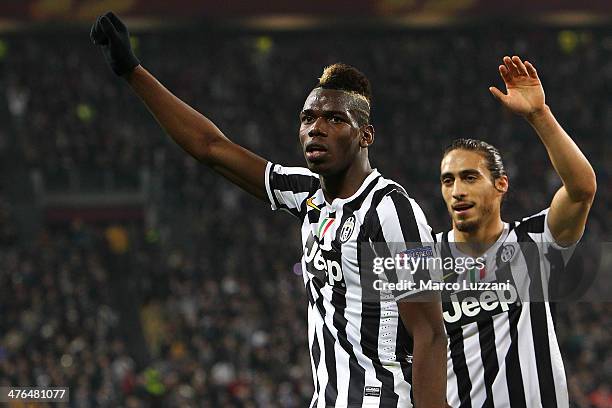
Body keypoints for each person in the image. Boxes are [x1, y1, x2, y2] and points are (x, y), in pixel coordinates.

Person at [90, 12, 448, 407]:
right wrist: (132, 71)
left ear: (365, 135)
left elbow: (430, 332)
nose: (316, 127)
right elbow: (212, 148)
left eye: (334, 119)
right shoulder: (307, 194)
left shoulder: (393, 212)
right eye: (308, 118)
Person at [438, 56, 596, 407]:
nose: (457, 191)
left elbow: (582, 189)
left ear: (501, 185)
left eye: (469, 177)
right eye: (448, 181)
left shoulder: (535, 241)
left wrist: (539, 116)